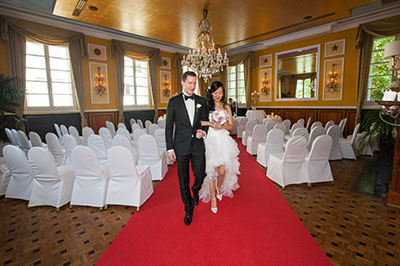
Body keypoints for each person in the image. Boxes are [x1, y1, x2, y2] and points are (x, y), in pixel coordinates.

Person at [165, 71, 209, 226]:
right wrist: (170, 148)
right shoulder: (174, 102)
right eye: (190, 83)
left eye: (195, 83)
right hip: (180, 145)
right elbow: (169, 127)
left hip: (197, 145)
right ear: (183, 83)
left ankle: (195, 190)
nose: (193, 86)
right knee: (183, 179)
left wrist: (203, 132)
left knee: (201, 174)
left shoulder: (201, 101)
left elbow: (205, 121)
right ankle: (188, 207)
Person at [199, 81, 240, 213]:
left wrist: (222, 126)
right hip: (210, 139)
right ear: (211, 93)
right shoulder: (206, 106)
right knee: (211, 169)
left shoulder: (227, 106)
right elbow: (199, 122)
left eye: (220, 93)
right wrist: (212, 124)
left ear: (223, 93)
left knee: (222, 171)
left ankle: (218, 187)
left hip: (223, 139)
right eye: (215, 93)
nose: (218, 95)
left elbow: (231, 126)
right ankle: (213, 198)